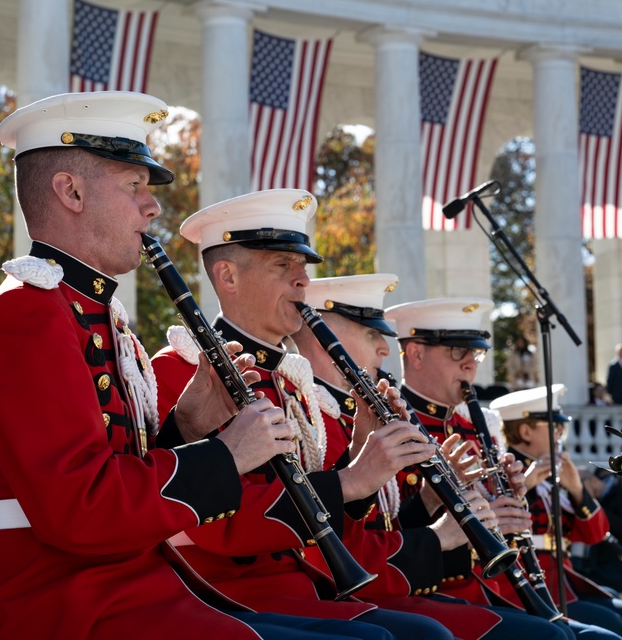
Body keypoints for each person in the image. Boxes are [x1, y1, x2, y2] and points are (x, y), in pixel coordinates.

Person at [0, 90, 372, 639]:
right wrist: (224, 456)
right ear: (70, 190)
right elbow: (81, 509)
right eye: (134, 186)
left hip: (128, 593)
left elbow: (119, 476)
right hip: (63, 608)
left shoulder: (90, 313)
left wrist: (187, 426)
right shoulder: (24, 312)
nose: (152, 208)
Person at [151, 189, 455, 640]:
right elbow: (217, 529)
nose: (303, 281)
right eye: (282, 266)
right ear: (227, 276)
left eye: (302, 268)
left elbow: (329, 520)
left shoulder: (292, 384)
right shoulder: (177, 370)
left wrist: (359, 458)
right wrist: (351, 480)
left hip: (306, 590)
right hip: (228, 595)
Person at [293, 276, 572, 640]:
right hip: (380, 589)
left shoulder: (430, 421)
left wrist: (459, 503)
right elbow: (350, 537)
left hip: (423, 583)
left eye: (476, 354)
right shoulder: (313, 416)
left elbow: (384, 527)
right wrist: (458, 538)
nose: (384, 350)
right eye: (459, 352)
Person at [383, 298, 622, 640]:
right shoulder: (391, 423)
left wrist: (510, 505)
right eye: (456, 351)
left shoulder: (474, 428)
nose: (471, 364)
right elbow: (388, 530)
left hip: (493, 588)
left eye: (475, 353)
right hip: (435, 591)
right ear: (417, 354)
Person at [492, 385, 622, 640]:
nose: (560, 432)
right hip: (525, 590)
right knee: (612, 625)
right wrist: (524, 487)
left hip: (561, 582)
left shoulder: (554, 475)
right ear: (525, 431)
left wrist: (578, 490)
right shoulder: (501, 474)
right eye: (553, 426)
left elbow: (595, 534)